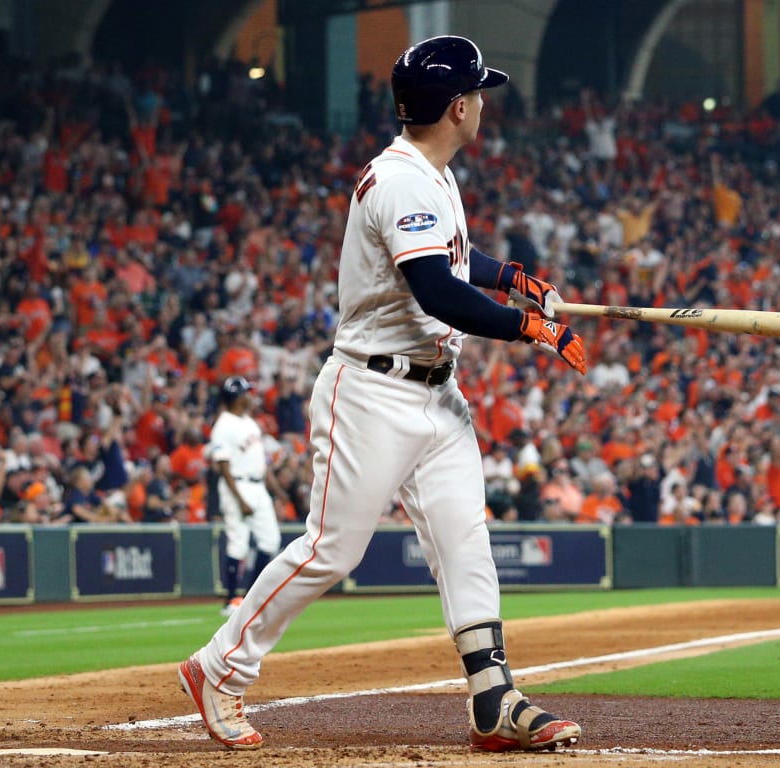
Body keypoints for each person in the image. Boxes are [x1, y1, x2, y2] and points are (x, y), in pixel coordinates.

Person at [178, 36, 585, 753]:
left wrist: (510, 276)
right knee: (330, 550)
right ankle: (219, 667)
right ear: (458, 107)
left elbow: (451, 260)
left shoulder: (427, 169)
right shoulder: (402, 180)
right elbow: (434, 288)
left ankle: (494, 699)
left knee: (465, 540)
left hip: (435, 392)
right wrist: (531, 329)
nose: (482, 103)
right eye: (477, 94)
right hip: (373, 390)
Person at [206, 376, 281, 617]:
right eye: (246, 392)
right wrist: (240, 499)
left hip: (257, 486)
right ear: (236, 397)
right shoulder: (223, 425)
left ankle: (250, 597)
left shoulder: (250, 422)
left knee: (270, 541)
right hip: (236, 485)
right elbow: (223, 467)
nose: (250, 395)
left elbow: (259, 462)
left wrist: (275, 490)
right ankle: (231, 600)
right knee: (238, 543)